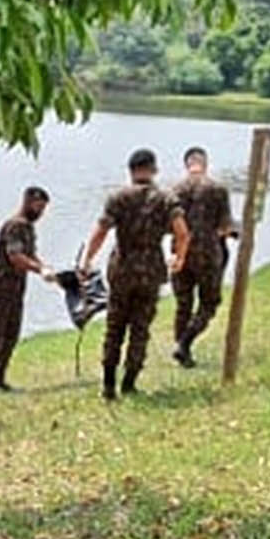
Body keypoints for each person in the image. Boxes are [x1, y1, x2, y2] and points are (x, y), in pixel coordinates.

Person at [80, 149, 189, 401]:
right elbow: (182, 233)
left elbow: (101, 231)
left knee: (114, 326)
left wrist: (87, 260)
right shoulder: (166, 198)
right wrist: (179, 258)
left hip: (122, 268)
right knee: (141, 328)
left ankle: (108, 385)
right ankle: (129, 383)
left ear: (131, 170)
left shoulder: (118, 197)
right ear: (153, 169)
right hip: (151, 269)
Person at [0, 186, 53, 399]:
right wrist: (39, 269)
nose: (40, 212)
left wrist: (50, 272)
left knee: (11, 336)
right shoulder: (15, 226)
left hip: (16, 290)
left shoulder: (28, 228)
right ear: (27, 202)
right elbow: (15, 257)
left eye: (43, 208)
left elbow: (31, 255)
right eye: (38, 206)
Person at [170, 147, 234, 367]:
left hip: (180, 253)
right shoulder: (218, 189)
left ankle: (180, 350)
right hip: (208, 254)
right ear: (205, 164)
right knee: (209, 303)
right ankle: (185, 344)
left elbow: (169, 225)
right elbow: (225, 227)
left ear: (186, 164)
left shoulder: (174, 190)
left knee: (183, 303)